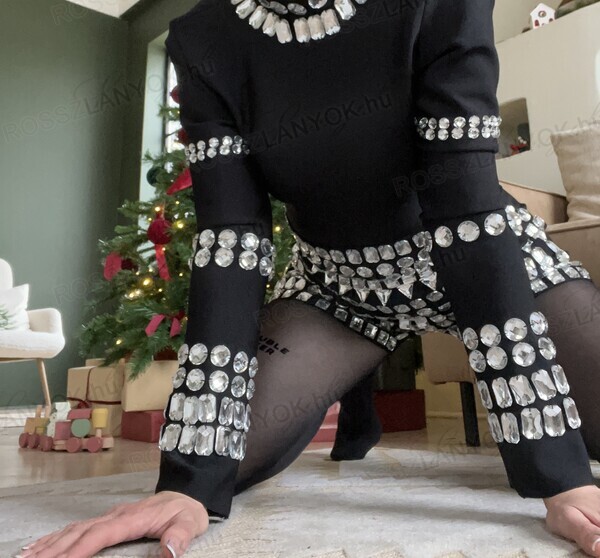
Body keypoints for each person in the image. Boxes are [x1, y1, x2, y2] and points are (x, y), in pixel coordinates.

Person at [18, 1, 600, 557]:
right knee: (219, 456)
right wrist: (187, 486)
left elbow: (464, 208)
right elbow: (230, 239)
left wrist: (558, 474)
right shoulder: (203, 38)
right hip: (333, 286)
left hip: (482, 248)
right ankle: (354, 388)